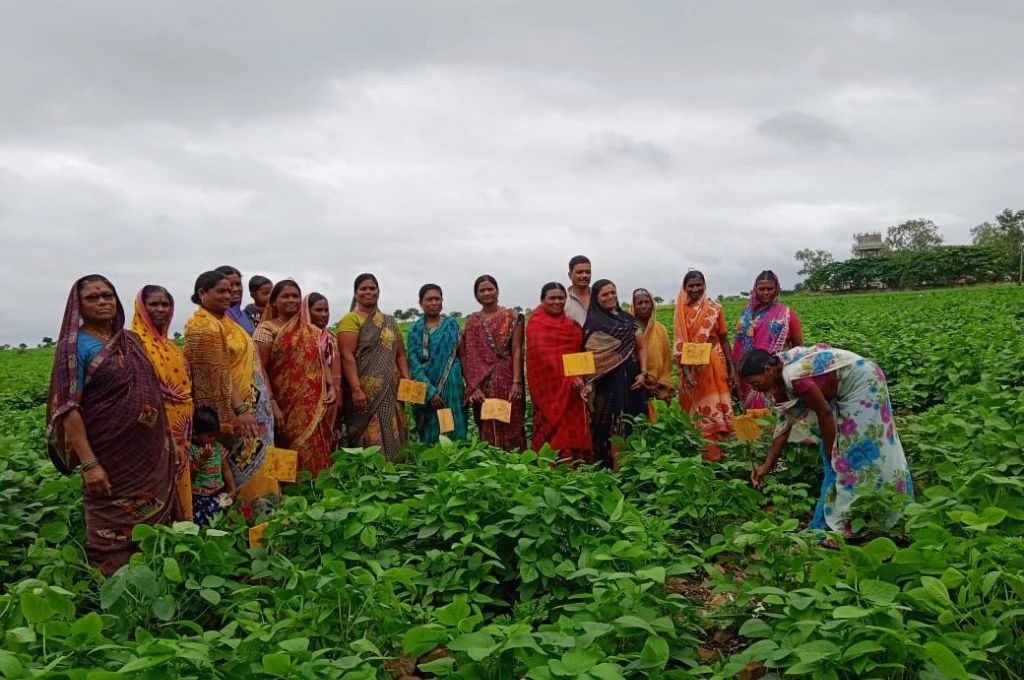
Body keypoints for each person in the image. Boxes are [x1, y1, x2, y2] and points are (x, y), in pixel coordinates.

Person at [46, 275, 178, 574]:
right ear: (77, 305)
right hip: (109, 454)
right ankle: (114, 587)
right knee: (111, 519)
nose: (103, 301)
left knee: (156, 526)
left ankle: (157, 575)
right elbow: (68, 407)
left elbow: (150, 385)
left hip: (150, 450)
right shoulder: (74, 347)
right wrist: (90, 463)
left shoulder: (129, 340)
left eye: (107, 295)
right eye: (93, 297)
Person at [741, 345, 914, 535]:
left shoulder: (794, 376)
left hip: (864, 382)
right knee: (841, 452)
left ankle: (874, 509)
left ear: (768, 369)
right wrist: (766, 466)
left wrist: (833, 453)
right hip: (843, 389)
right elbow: (784, 426)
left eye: (755, 383)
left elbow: (824, 413)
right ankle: (859, 510)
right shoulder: (779, 373)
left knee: (861, 448)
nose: (755, 390)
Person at [184, 270, 275, 497]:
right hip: (234, 413)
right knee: (238, 466)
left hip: (254, 408)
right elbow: (218, 374)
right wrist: (241, 409)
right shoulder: (203, 327)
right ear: (202, 293)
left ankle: (268, 516)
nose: (229, 294)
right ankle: (246, 518)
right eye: (221, 291)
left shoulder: (227, 322)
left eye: (231, 289)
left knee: (263, 463)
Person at [254, 280, 335, 477]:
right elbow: (259, 368)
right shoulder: (266, 330)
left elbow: (320, 359)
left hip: (313, 403)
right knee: (285, 446)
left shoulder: (311, 330)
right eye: (285, 296)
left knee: (316, 445)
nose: (291, 300)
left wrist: (331, 386)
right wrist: (272, 403)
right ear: (273, 302)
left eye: (295, 296)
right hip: (283, 403)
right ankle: (289, 494)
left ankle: (318, 489)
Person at [131, 285, 195, 521]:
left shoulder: (170, 345)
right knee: (159, 481)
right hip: (158, 427)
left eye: (165, 305)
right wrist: (165, 432)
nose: (160, 310)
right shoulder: (135, 345)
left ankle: (184, 529)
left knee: (181, 478)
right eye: (154, 304)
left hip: (183, 426)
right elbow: (142, 395)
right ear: (141, 308)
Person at [337, 273, 410, 460]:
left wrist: (406, 379)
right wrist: (356, 389)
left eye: (372, 288)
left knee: (394, 425)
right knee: (369, 431)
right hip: (364, 389)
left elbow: (400, 353)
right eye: (363, 289)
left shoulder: (389, 321)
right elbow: (347, 356)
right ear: (355, 294)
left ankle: (397, 465)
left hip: (391, 388)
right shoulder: (350, 320)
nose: (368, 292)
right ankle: (371, 472)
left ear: (379, 292)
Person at [583, 279, 648, 468]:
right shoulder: (593, 324)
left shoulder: (629, 319)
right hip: (607, 385)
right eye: (605, 294)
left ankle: (638, 465)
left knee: (635, 421)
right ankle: (613, 469)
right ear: (596, 298)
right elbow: (589, 358)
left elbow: (642, 347)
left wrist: (643, 372)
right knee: (611, 425)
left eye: (613, 292)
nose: (611, 297)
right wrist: (589, 383)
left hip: (633, 381)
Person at [526, 283, 593, 464]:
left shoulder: (572, 326)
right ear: (542, 300)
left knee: (573, 428)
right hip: (547, 391)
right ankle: (549, 469)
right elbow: (543, 359)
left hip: (573, 390)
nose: (557, 302)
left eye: (561, 298)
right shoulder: (536, 324)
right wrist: (568, 379)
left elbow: (579, 355)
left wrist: (582, 379)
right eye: (552, 298)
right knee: (551, 433)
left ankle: (578, 467)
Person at [673, 271, 737, 459]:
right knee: (696, 410)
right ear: (684, 288)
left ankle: (722, 455)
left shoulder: (714, 308)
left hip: (714, 363)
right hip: (691, 367)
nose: (695, 289)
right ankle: (702, 455)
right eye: (690, 285)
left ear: (704, 285)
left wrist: (732, 368)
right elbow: (680, 343)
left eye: (698, 284)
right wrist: (686, 372)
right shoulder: (681, 312)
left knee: (717, 407)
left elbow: (724, 339)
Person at [463, 275, 526, 451]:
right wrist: (473, 387)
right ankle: (492, 461)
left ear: (497, 290)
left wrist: (516, 382)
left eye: (490, 289)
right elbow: (468, 356)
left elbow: (516, 350)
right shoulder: (472, 322)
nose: (487, 293)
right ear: (476, 295)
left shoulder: (511, 317)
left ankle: (516, 461)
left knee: (511, 419)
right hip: (482, 382)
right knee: (488, 423)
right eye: (482, 290)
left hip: (506, 377)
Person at [732, 270, 804, 411]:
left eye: (770, 289)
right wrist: (735, 372)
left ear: (776, 289)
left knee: (778, 413)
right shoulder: (746, 316)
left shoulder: (787, 314)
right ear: (755, 290)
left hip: (776, 373)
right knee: (754, 417)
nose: (766, 293)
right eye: (761, 289)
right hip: (750, 374)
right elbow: (738, 346)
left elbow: (799, 348)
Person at [406, 284, 468, 444]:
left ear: (442, 301)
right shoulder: (415, 331)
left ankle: (457, 461)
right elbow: (414, 363)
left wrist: (470, 384)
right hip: (427, 387)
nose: (434, 303)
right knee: (432, 428)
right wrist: (430, 392)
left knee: (451, 424)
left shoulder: (452, 326)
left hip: (452, 385)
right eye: (429, 299)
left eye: (437, 299)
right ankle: (433, 463)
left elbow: (462, 356)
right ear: (421, 303)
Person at [305, 292, 343, 449]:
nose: (323, 314)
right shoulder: (302, 338)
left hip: (331, 400)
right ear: (307, 311)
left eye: (326, 310)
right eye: (318, 310)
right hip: (307, 401)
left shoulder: (333, 339)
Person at [189, 407, 236, 525]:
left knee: (222, 517)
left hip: (217, 492)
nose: (213, 439)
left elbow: (226, 469)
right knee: (202, 522)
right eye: (209, 436)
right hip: (199, 496)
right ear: (195, 435)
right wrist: (203, 459)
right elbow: (190, 475)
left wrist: (232, 488)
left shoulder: (218, 447)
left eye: (215, 435)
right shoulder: (191, 450)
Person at [632, 288, 675, 414]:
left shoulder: (661, 329)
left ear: (652, 305)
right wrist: (645, 385)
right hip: (637, 385)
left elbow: (667, 360)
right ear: (633, 306)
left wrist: (659, 384)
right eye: (639, 303)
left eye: (647, 302)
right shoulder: (629, 330)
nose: (644, 306)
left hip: (658, 387)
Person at [215, 265, 257, 335]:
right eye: (230, 285)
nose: (236, 289)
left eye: (238, 284)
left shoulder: (248, 316)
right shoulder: (213, 319)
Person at [565, 255, 592, 326]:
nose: (584, 275)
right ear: (570, 275)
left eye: (588, 272)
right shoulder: (562, 301)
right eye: (579, 272)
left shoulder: (600, 297)